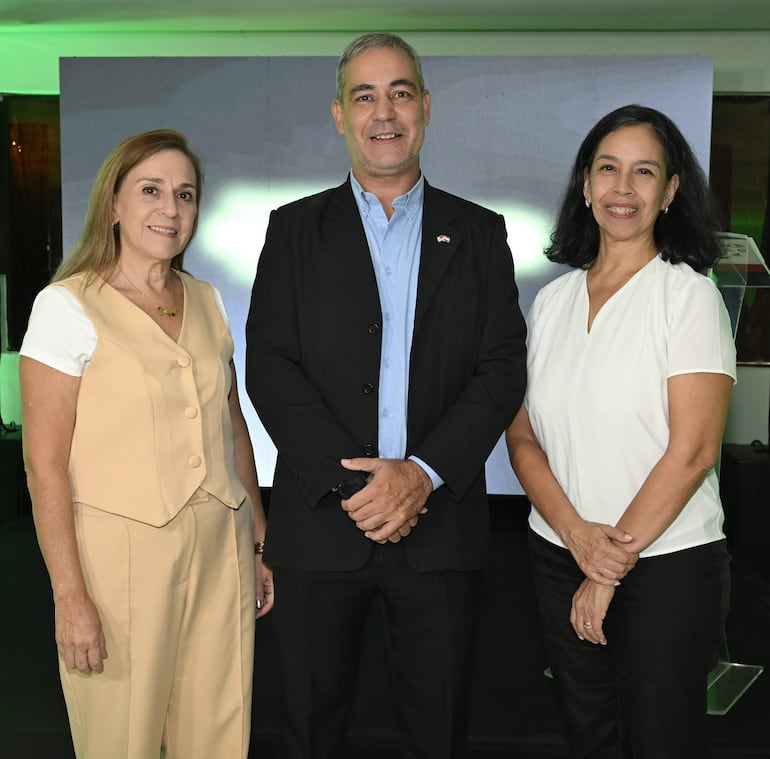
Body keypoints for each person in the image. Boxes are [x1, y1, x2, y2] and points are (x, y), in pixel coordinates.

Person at [245, 33, 527, 759]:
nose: (384, 112)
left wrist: (419, 475)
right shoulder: (292, 230)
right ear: (339, 114)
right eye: (364, 95)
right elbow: (271, 369)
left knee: (437, 733)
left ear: (425, 107)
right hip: (319, 526)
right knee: (308, 728)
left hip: (440, 529)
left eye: (399, 92)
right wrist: (355, 485)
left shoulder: (480, 232)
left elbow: (500, 368)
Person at [19, 129, 274, 759]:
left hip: (222, 546)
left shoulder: (208, 300)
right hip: (118, 560)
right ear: (112, 204)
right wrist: (69, 596)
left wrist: (258, 539)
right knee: (121, 738)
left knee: (219, 733)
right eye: (151, 190)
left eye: (185, 195)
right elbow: (44, 464)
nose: (171, 209)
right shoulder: (65, 306)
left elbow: (230, 421)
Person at [506, 105, 735, 758]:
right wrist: (577, 537)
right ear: (585, 185)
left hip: (665, 566)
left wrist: (607, 568)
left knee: (658, 740)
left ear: (670, 191)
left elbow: (692, 452)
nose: (622, 188)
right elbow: (522, 437)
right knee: (589, 735)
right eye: (608, 169)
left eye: (644, 172)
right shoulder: (551, 302)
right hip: (558, 555)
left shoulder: (687, 295)